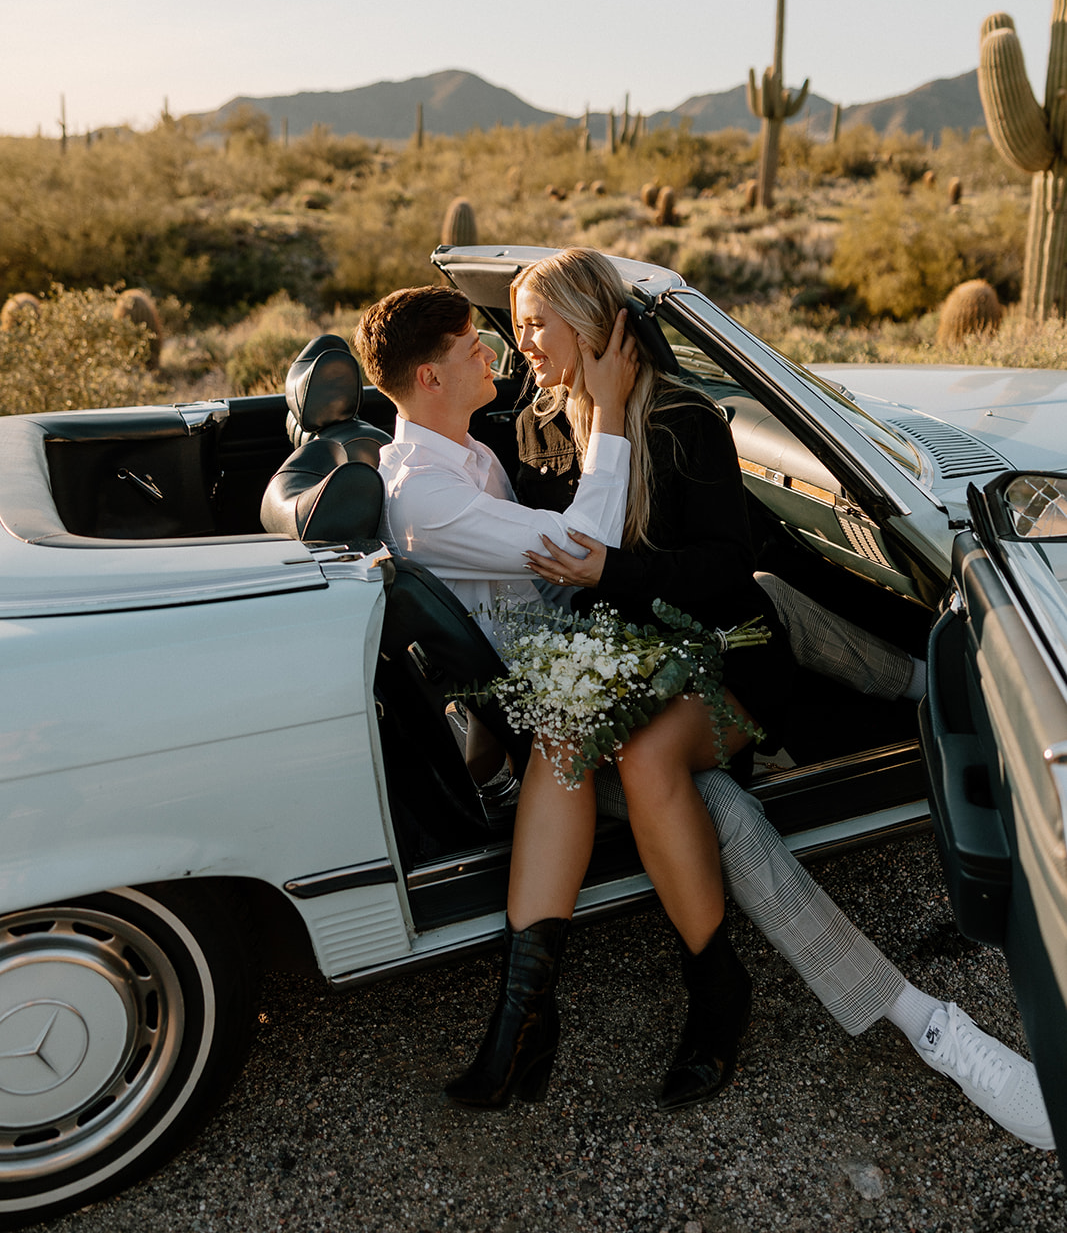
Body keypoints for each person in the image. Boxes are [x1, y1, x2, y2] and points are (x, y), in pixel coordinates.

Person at [353, 270, 1053, 1148]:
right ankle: (809, 1001)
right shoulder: (527, 432)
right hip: (609, 678)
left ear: (596, 329)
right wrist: (598, 583)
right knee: (671, 784)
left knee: (650, 752)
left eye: (533, 325)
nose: (515, 343)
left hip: (715, 652)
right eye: (500, 332)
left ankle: (678, 1002)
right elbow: (573, 556)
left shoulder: (670, 424)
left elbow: (714, 569)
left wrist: (610, 578)